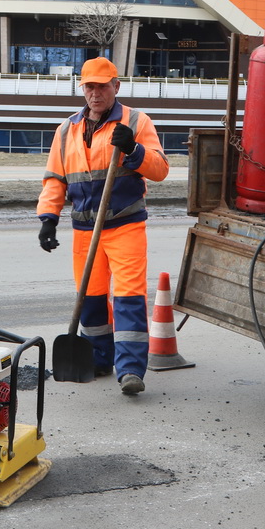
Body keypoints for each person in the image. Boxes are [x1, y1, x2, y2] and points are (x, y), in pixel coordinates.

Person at [37, 56, 169, 395]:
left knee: (128, 298)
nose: (96, 94)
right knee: (91, 299)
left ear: (116, 87)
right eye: (90, 87)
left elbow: (160, 169)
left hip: (125, 226)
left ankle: (130, 371)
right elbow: (55, 178)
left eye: (102, 87)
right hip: (84, 230)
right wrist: (48, 219)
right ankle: (98, 358)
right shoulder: (67, 129)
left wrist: (133, 149)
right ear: (83, 88)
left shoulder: (136, 122)